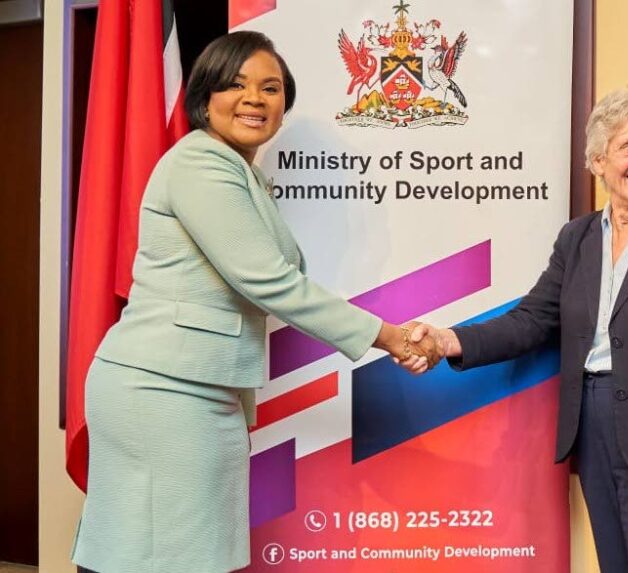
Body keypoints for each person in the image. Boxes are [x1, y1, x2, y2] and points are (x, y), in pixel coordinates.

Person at [70, 31, 438, 573]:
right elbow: (268, 281)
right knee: (157, 556)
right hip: (163, 388)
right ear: (205, 97)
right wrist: (391, 337)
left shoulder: (242, 172)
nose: (254, 99)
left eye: (270, 88)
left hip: (195, 387)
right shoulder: (201, 164)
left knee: (161, 552)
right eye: (236, 85)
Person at [411, 88, 628, 572]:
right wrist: (447, 340)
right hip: (592, 428)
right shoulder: (578, 237)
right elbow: (532, 320)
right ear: (598, 161)